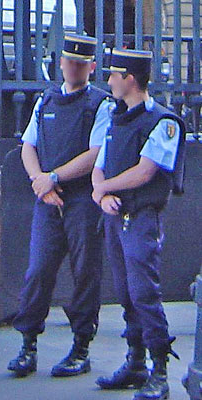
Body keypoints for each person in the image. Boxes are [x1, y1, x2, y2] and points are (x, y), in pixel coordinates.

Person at [7, 34, 113, 378]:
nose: (73, 67)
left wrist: (52, 178)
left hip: (83, 199)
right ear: (61, 63)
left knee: (85, 273)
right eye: (69, 61)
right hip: (48, 200)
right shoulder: (45, 100)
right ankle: (28, 345)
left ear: (92, 67)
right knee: (38, 271)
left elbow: (96, 154)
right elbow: (28, 146)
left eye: (81, 63)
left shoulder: (101, 104)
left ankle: (81, 347)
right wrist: (41, 182)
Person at [91, 48, 185, 400]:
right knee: (126, 292)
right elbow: (101, 164)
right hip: (116, 217)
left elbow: (145, 171)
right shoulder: (119, 117)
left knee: (144, 293)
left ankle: (159, 369)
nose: (110, 81)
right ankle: (135, 362)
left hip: (142, 217)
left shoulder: (163, 122)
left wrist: (102, 189)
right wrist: (101, 194)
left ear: (129, 78)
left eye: (114, 74)